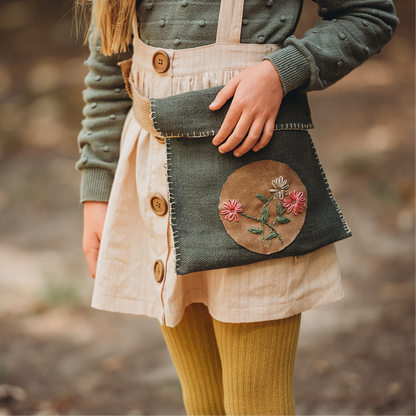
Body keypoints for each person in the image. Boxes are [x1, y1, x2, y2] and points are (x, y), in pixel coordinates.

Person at [77, 0, 398, 414]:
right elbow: (108, 56)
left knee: (256, 404)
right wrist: (97, 188)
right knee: (204, 403)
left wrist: (280, 72)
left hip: (252, 182)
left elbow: (369, 14)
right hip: (156, 181)